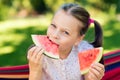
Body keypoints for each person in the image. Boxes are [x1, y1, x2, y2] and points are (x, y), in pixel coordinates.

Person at [27, 3, 105, 80]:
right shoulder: (39, 56)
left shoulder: (85, 50)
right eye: (53, 26)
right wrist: (34, 70)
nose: (55, 35)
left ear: (78, 39)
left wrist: (93, 78)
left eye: (65, 32)